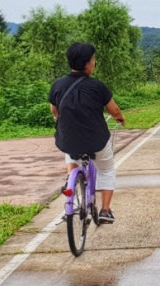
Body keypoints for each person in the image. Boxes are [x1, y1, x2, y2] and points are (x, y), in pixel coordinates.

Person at [49, 42, 125, 224]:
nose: (94, 63)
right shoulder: (97, 86)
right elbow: (114, 110)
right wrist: (120, 118)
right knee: (106, 170)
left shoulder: (58, 85)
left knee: (70, 152)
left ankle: (72, 180)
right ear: (88, 63)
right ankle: (105, 210)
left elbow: (54, 110)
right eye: (93, 60)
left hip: (68, 138)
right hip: (96, 139)